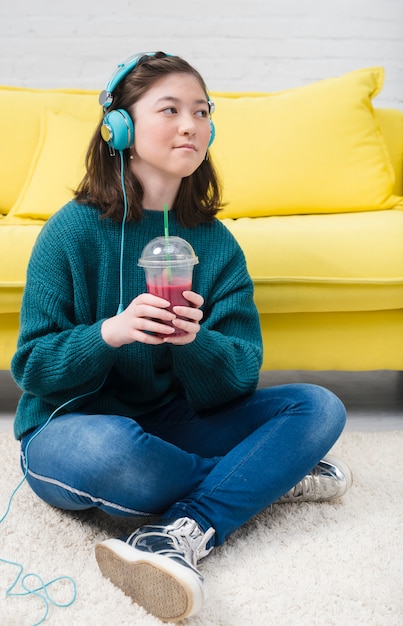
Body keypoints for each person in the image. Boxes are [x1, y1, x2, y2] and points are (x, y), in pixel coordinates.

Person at [11, 51, 352, 623]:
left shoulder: (215, 244)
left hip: (172, 420)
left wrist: (193, 340)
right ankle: (261, 476)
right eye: (169, 110)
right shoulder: (70, 232)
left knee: (317, 407)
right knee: (114, 451)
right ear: (119, 126)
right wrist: (110, 333)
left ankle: (176, 531)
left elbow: (239, 377)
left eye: (201, 111)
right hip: (68, 429)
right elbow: (32, 368)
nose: (191, 124)